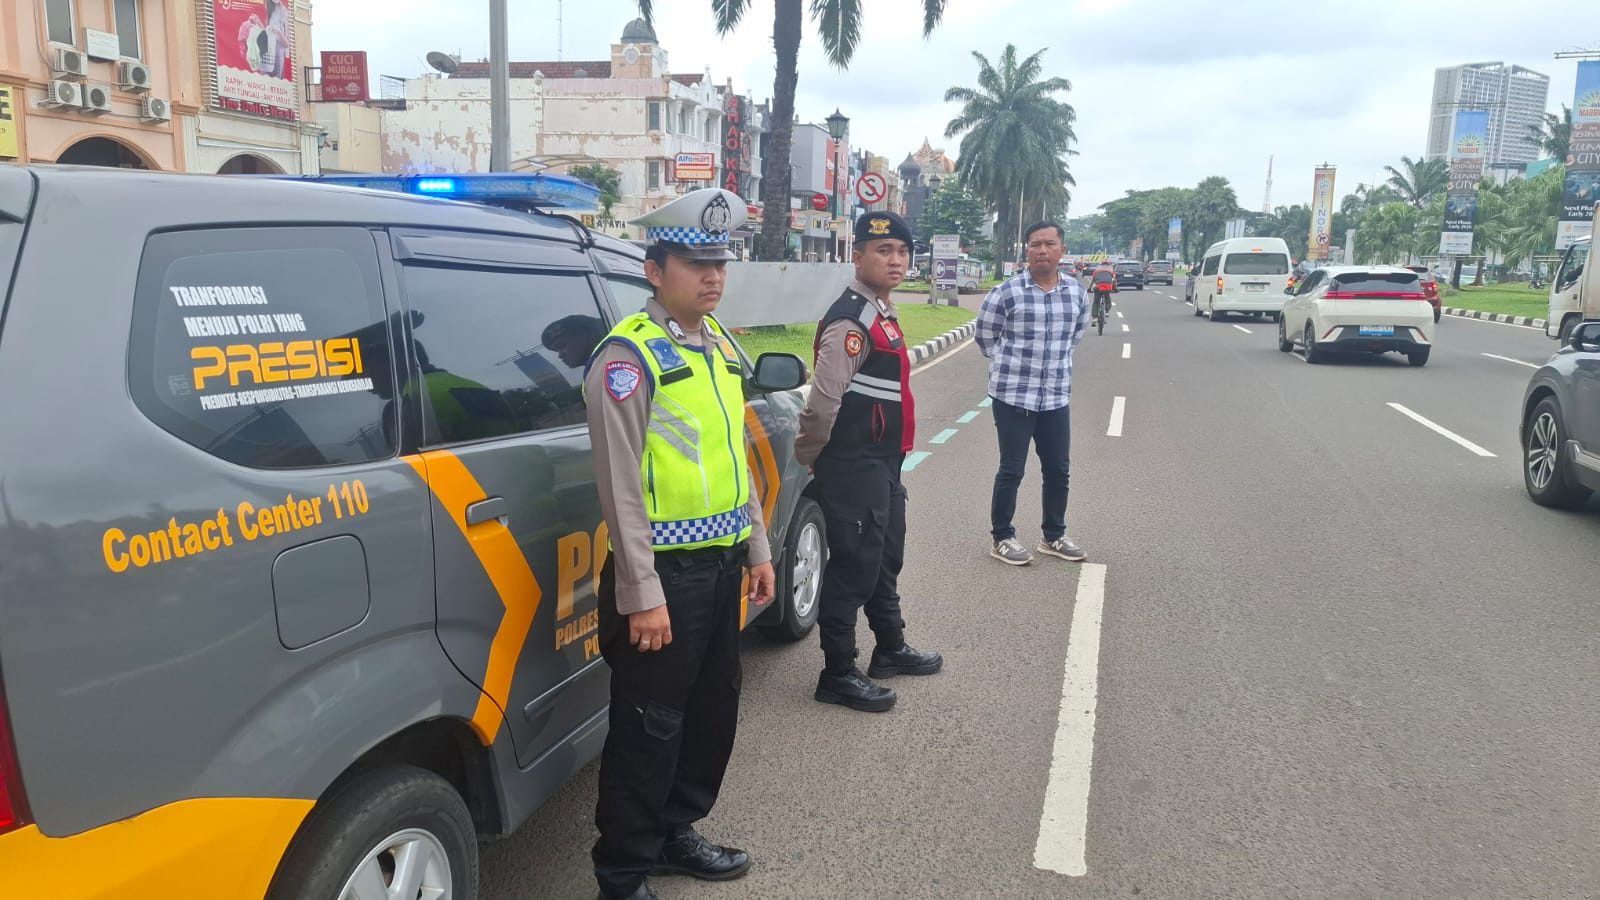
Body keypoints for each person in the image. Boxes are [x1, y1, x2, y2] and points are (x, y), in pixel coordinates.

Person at [583, 187, 777, 900]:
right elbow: (620, 488)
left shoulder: (717, 344)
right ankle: (622, 873)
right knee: (649, 727)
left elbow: (733, 458)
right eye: (696, 263)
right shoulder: (628, 357)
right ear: (654, 269)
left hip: (722, 566)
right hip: (663, 577)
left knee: (709, 711)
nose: (713, 276)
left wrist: (758, 549)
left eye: (719, 263)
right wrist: (641, 594)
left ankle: (674, 832)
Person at [794, 210, 943, 713]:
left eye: (902, 251)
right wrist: (811, 457)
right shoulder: (851, 320)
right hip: (853, 465)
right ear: (857, 256)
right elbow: (822, 402)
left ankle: (890, 647)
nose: (895, 260)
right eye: (883, 251)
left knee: (883, 559)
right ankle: (837, 672)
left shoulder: (882, 312)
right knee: (853, 569)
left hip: (882, 464)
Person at [975, 222, 1090, 567]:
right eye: (1035, 244)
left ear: (1062, 250)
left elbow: (1075, 336)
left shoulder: (1076, 293)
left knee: (1058, 470)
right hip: (1013, 396)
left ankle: (1053, 535)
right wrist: (1011, 366)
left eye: (1049, 244)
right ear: (1026, 251)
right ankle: (1002, 537)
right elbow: (985, 337)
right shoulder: (1006, 293)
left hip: (1055, 396)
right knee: (1011, 470)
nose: (1042, 250)